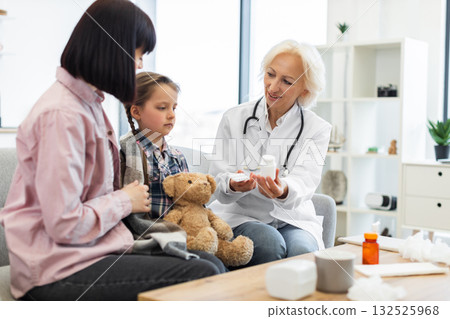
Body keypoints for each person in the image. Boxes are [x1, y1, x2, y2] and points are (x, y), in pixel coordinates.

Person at [0, 0, 224, 301]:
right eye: (138, 53)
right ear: (113, 49)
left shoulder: (89, 105)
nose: (140, 64)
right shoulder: (62, 115)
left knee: (211, 263)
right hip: (56, 270)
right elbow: (64, 224)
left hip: (90, 251)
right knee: (204, 274)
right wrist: (124, 200)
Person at [208, 40, 332, 267]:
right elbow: (217, 180)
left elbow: (306, 179)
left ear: (305, 89)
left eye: (286, 81)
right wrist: (234, 185)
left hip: (293, 218)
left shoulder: (317, 129)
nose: (273, 87)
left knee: (301, 252)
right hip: (241, 214)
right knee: (268, 243)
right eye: (270, 74)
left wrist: (283, 189)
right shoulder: (234, 118)